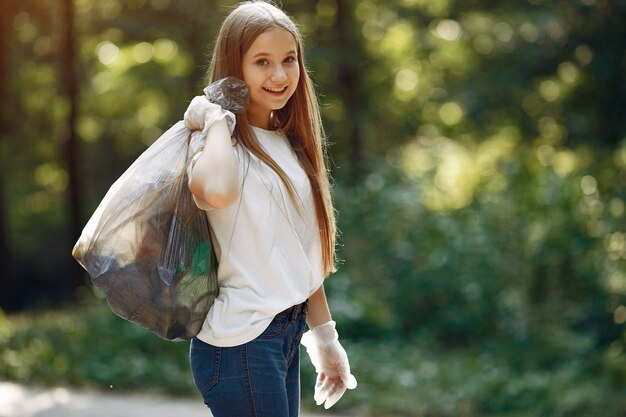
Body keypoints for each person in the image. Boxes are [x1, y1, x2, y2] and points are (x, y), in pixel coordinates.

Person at [184, 2, 357, 416]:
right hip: (239, 343)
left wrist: (325, 339)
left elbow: (298, 250)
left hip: (282, 333)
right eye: (262, 62)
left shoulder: (287, 142)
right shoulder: (213, 143)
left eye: (289, 60)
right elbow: (216, 192)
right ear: (234, 66)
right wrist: (214, 118)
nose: (280, 75)